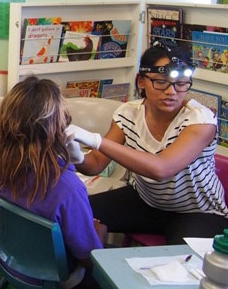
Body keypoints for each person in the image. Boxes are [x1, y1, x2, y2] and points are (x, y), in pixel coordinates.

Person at [68, 44, 228, 244]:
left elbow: (161, 169)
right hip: (146, 201)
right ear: (142, 81)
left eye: (180, 83)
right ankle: (84, 273)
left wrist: (95, 140)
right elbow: (95, 164)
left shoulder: (200, 120)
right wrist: (75, 155)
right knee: (73, 212)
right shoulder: (128, 113)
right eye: (161, 82)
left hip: (198, 212)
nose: (171, 92)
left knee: (181, 265)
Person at [0, 76, 106, 289]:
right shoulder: (68, 189)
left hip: (8, 263)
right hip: (54, 280)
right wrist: (98, 232)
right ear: (59, 126)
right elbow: (89, 259)